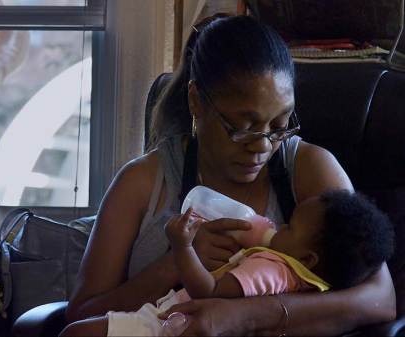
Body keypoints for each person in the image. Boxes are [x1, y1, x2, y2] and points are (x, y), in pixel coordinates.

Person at [64, 15, 396, 336]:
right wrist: (174, 265)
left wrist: (242, 316)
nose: (262, 147)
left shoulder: (308, 168)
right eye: (243, 127)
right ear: (196, 101)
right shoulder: (142, 182)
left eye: (279, 126)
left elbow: (380, 299)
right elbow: (80, 317)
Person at [60, 190, 395, 336]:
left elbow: (207, 290)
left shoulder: (273, 268)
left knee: (78, 334)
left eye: (289, 227)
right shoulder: (302, 278)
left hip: (174, 326)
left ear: (308, 259)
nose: (278, 227)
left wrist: (182, 248)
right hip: (173, 319)